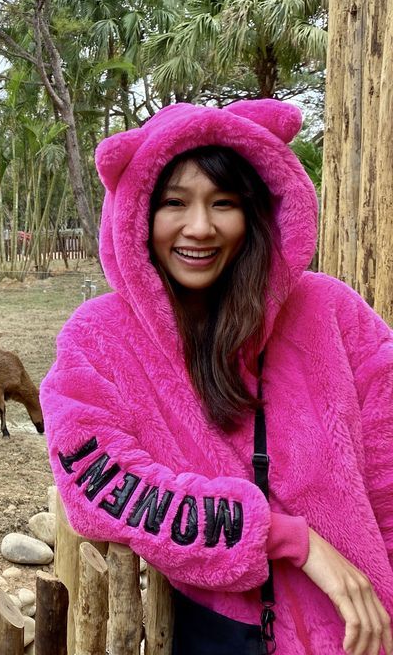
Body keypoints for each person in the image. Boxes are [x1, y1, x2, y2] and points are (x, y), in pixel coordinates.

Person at [40, 99, 393, 655]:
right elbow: (101, 488)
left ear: (257, 211)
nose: (200, 227)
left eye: (223, 202)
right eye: (174, 203)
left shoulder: (334, 314)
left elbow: (386, 474)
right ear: (137, 213)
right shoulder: (99, 339)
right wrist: (288, 538)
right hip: (216, 633)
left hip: (364, 631)